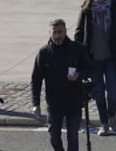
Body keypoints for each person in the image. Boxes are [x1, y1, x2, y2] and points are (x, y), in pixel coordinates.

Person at [73, 0, 116, 136]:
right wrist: (77, 54)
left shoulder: (114, 10)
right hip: (93, 60)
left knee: (112, 92)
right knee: (99, 93)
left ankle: (112, 113)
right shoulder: (86, 11)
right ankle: (104, 123)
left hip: (111, 59)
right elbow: (79, 34)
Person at [30, 18, 91, 151]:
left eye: (60, 32)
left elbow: (90, 69)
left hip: (73, 102)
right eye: (55, 32)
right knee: (54, 137)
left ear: (65, 31)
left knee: (72, 136)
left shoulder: (77, 49)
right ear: (49, 33)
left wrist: (78, 75)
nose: (58, 35)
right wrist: (36, 103)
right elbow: (36, 79)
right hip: (54, 104)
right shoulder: (44, 52)